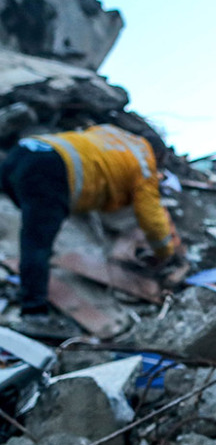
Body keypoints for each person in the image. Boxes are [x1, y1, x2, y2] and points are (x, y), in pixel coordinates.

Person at [0, 123, 182, 337]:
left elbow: (91, 158)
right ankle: (34, 314)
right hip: (51, 171)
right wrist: (165, 253)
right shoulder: (145, 166)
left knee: (32, 223)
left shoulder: (112, 133)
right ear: (158, 155)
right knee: (37, 244)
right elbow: (152, 219)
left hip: (26, 150)